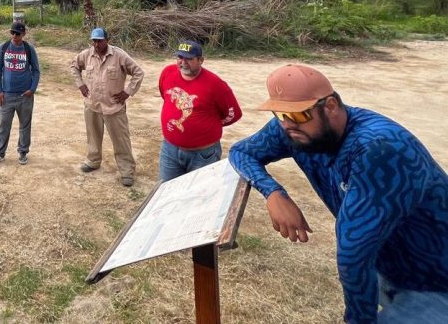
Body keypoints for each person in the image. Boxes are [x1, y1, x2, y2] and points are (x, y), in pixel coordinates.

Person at [229, 64, 448, 324]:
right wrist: (274, 193)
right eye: (280, 113)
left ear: (330, 106)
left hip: (437, 282)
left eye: (297, 115)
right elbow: (241, 152)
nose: (287, 124)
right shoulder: (294, 128)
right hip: (391, 267)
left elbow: (353, 256)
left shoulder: (380, 148)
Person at [157, 40, 241, 181]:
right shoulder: (168, 73)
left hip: (203, 155)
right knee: (166, 191)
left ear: (201, 60)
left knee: (200, 196)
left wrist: (208, 125)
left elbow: (233, 114)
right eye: (179, 57)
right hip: (169, 149)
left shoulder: (216, 85)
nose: (183, 62)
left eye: (189, 59)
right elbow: (165, 95)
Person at [71, 28, 145, 186]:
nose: (96, 44)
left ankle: (127, 171)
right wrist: (81, 85)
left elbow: (138, 72)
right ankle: (93, 161)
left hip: (114, 108)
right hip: (92, 105)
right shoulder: (87, 54)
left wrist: (128, 92)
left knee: (121, 140)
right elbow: (74, 66)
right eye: (94, 41)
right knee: (93, 137)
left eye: (99, 40)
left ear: (107, 40)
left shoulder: (119, 55)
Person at [0, 22, 40, 167]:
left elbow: (36, 70)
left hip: (25, 96)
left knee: (25, 125)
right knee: (4, 126)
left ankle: (23, 152)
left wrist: (32, 89)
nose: (14, 36)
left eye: (18, 33)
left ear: (23, 34)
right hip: (7, 96)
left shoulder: (29, 49)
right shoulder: (3, 48)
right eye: (12, 33)